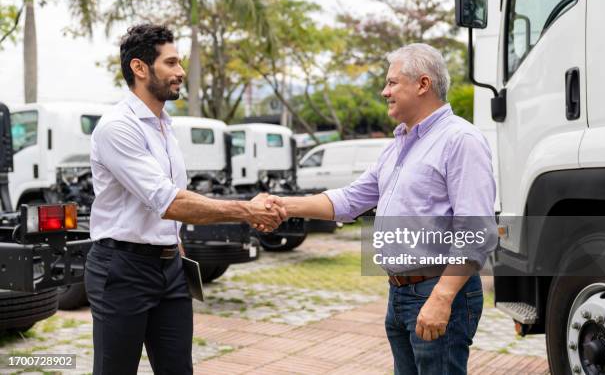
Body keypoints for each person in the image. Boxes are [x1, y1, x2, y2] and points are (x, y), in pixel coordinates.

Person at [264, 44, 496, 374]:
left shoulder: (460, 140)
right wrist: (283, 205)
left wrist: (442, 298)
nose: (384, 91)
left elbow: (477, 230)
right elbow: (348, 200)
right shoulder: (397, 147)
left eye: (392, 82)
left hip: (437, 290)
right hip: (400, 293)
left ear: (423, 84)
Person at [85, 23, 286, 375]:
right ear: (139, 67)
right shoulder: (118, 127)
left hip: (169, 268)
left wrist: (174, 243)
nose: (180, 73)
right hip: (122, 269)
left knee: (179, 368)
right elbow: (169, 201)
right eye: (171, 63)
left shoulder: (165, 125)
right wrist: (246, 210)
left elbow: (169, 200)